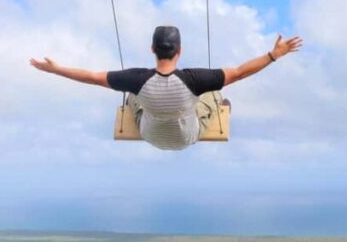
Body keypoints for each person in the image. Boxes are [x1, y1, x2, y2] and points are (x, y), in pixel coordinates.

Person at [30, 26, 302, 150]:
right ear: (180, 51)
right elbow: (241, 72)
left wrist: (55, 69)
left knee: (132, 97)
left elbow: (91, 77)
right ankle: (218, 105)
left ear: (152, 49)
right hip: (187, 137)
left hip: (151, 135)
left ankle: (139, 104)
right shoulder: (194, 79)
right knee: (215, 93)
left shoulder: (137, 79)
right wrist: (273, 55)